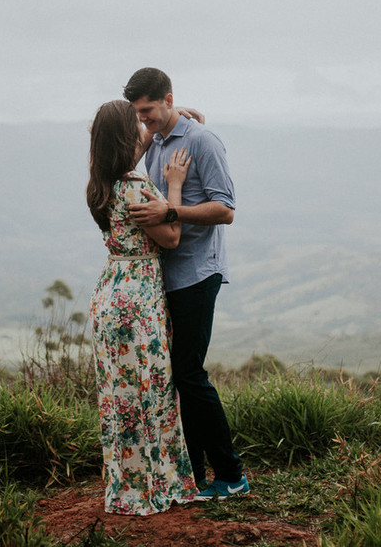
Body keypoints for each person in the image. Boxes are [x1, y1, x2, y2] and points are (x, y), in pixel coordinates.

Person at [122, 67, 248, 500]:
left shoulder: (202, 142)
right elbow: (125, 162)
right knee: (177, 376)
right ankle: (194, 472)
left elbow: (226, 209)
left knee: (190, 375)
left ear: (168, 98)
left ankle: (231, 474)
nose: (145, 121)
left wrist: (172, 213)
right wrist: (154, 129)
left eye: (149, 112)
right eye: (139, 115)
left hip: (198, 272)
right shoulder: (155, 140)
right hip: (166, 277)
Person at [86, 99, 199, 515]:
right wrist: (173, 185)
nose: (143, 126)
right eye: (136, 122)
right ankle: (154, 487)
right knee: (151, 390)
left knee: (121, 396)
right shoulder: (135, 187)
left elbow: (132, 149)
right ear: (124, 136)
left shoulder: (103, 181)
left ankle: (127, 487)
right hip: (137, 298)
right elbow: (170, 237)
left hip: (111, 291)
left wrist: (175, 118)